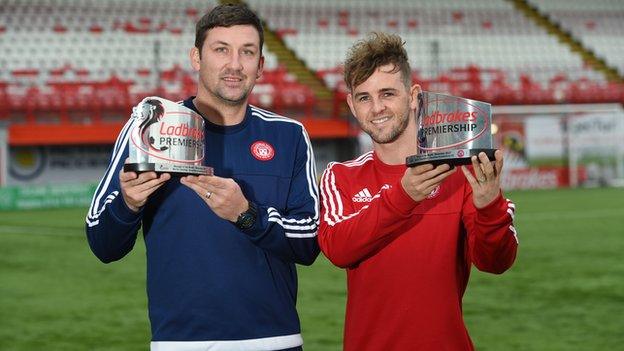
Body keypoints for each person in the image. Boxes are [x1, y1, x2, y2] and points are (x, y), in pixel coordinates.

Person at [85, 4, 319, 351]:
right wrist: (129, 203)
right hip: (182, 343)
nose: (235, 64)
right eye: (221, 49)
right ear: (197, 57)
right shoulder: (152, 129)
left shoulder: (289, 136)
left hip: (275, 340)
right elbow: (102, 244)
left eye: (247, 52)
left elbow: (310, 242)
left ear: (261, 65)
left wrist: (248, 215)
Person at [317, 32, 518, 351]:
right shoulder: (340, 176)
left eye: (387, 93)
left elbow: (495, 262)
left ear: (413, 96)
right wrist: (404, 196)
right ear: (352, 106)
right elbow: (339, 249)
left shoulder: (459, 173)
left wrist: (489, 206)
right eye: (364, 97)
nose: (377, 107)